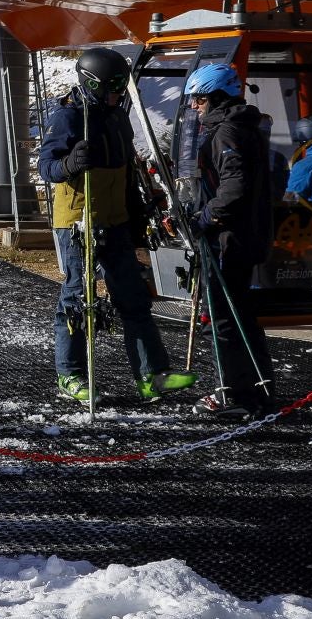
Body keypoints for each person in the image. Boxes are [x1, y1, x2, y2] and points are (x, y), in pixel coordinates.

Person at [37, 47, 196, 406]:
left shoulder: (116, 116)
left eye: (122, 86)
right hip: (79, 218)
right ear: (91, 83)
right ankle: (71, 374)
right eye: (111, 86)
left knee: (133, 297)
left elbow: (126, 171)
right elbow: (46, 166)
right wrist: (70, 164)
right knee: (79, 296)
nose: (118, 92)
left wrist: (138, 215)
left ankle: (151, 375)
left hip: (115, 217)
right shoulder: (69, 116)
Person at [183, 62, 277, 419]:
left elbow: (234, 189)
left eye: (200, 99)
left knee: (221, 318)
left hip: (228, 240)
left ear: (217, 97)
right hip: (241, 236)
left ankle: (233, 394)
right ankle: (259, 389)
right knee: (241, 316)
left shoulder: (227, 132)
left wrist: (203, 218)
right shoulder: (244, 126)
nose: (195, 106)